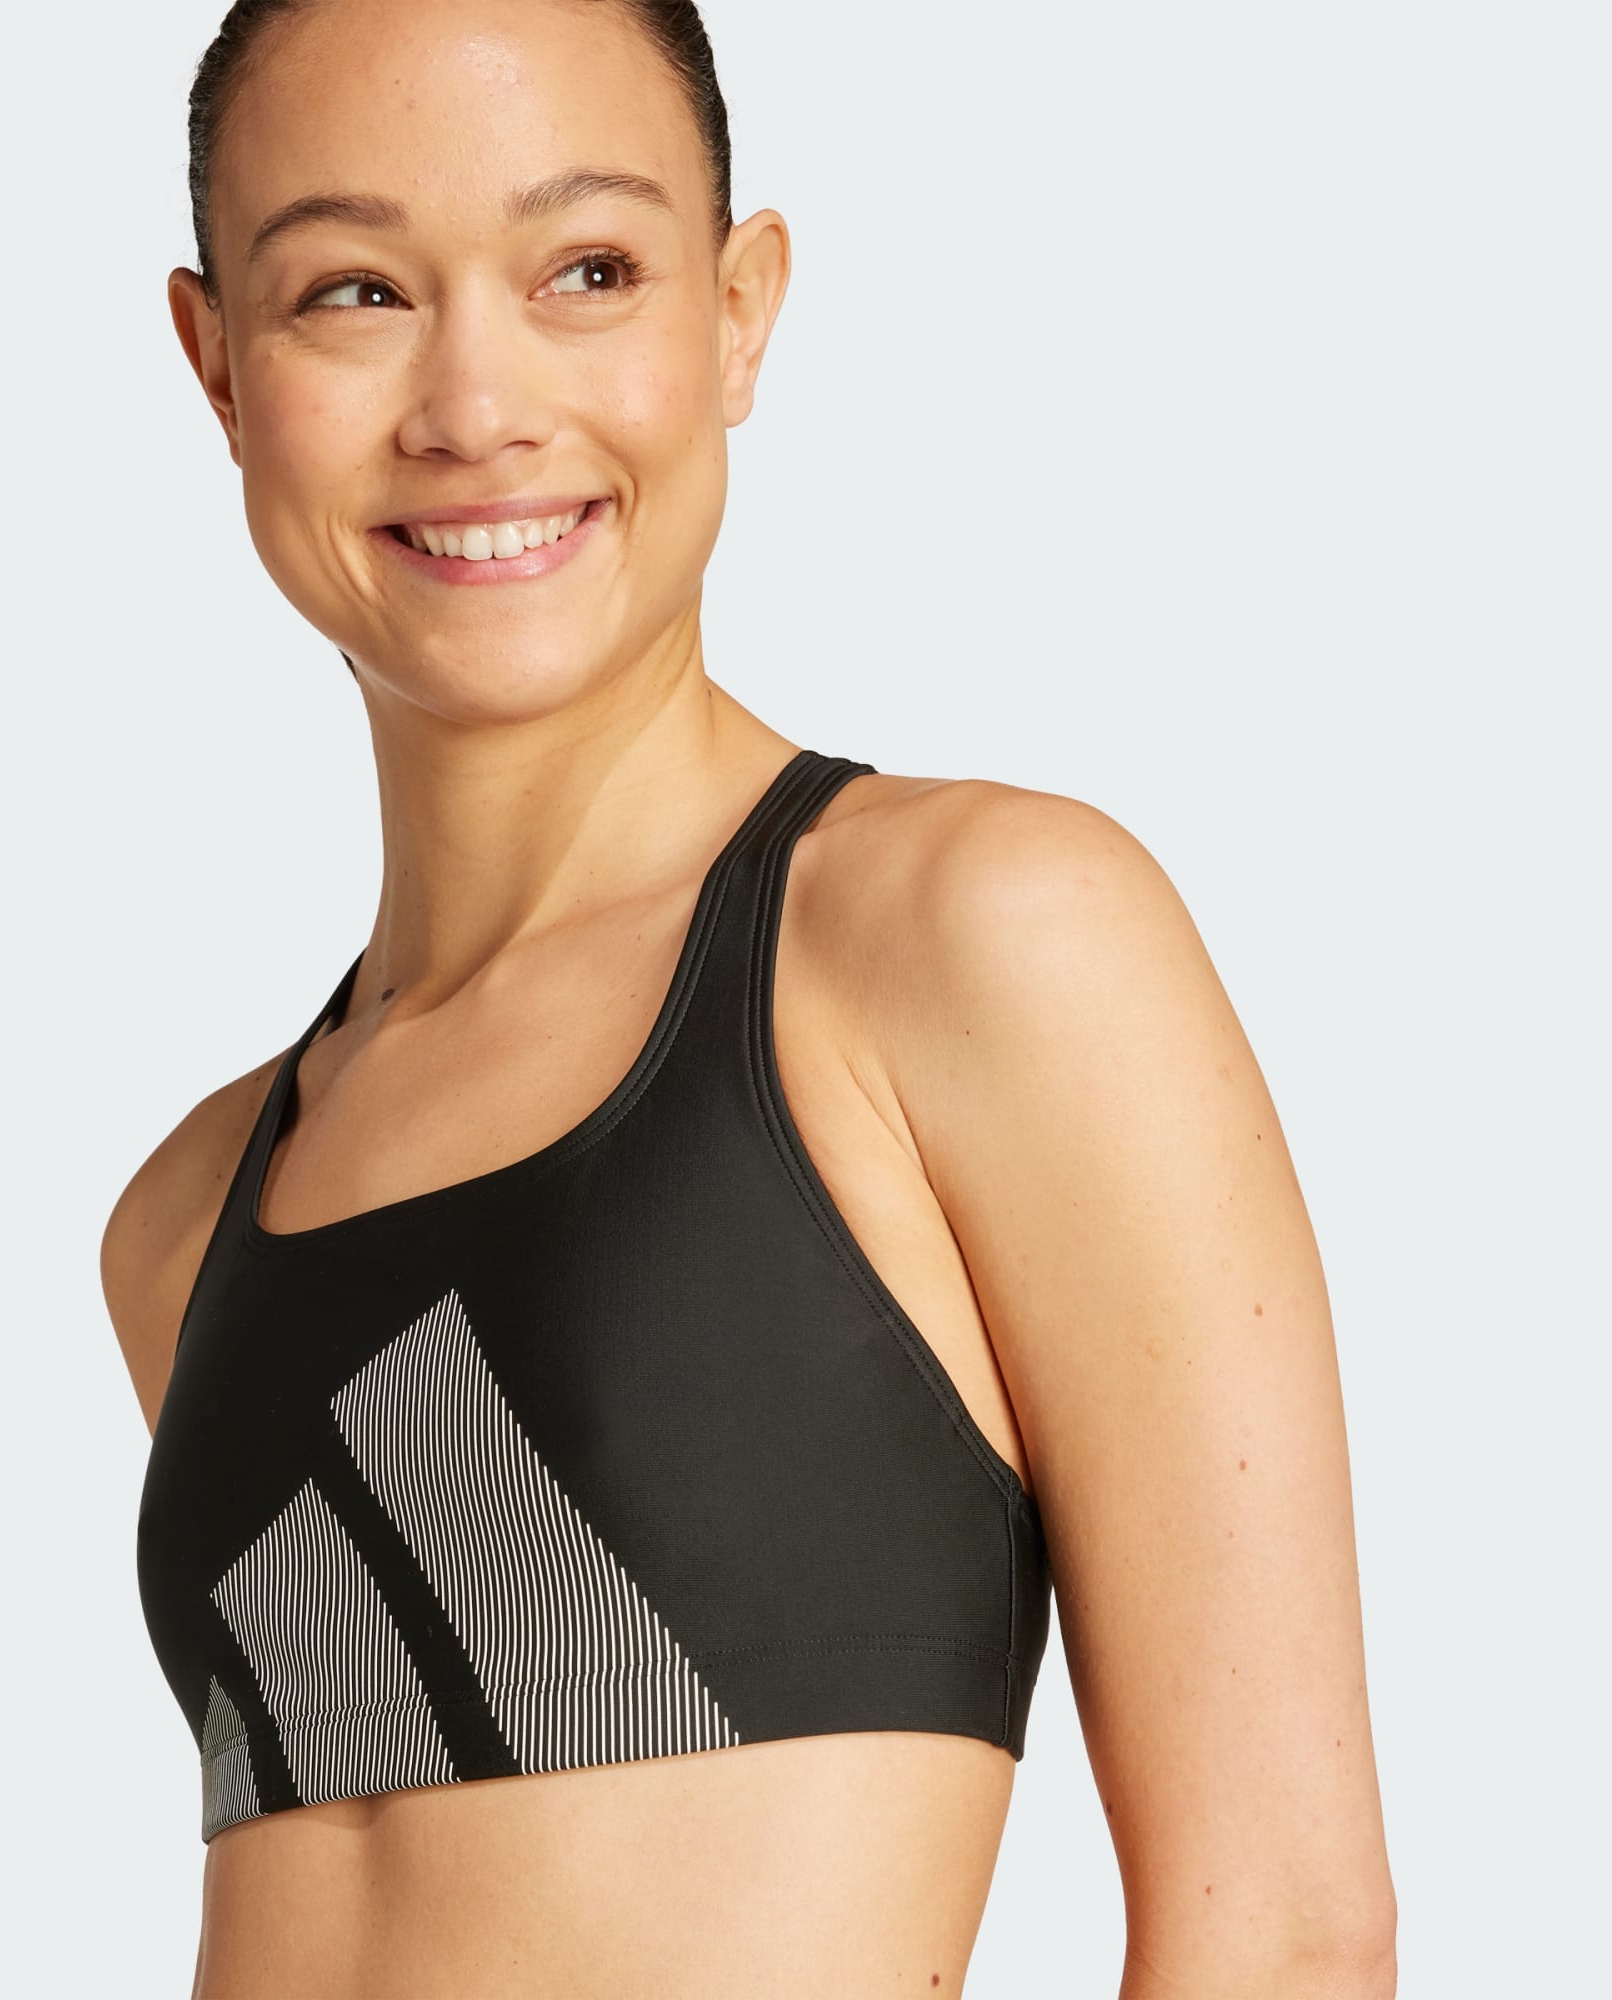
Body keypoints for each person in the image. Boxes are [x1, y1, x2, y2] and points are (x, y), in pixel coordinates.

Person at [100, 3, 1398, 1994]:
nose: (475, 405)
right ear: (217, 366)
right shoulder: (190, 1219)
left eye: (586, 271)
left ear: (737, 312)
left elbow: (1284, 1933)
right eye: (355, 290)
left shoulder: (968, 945)